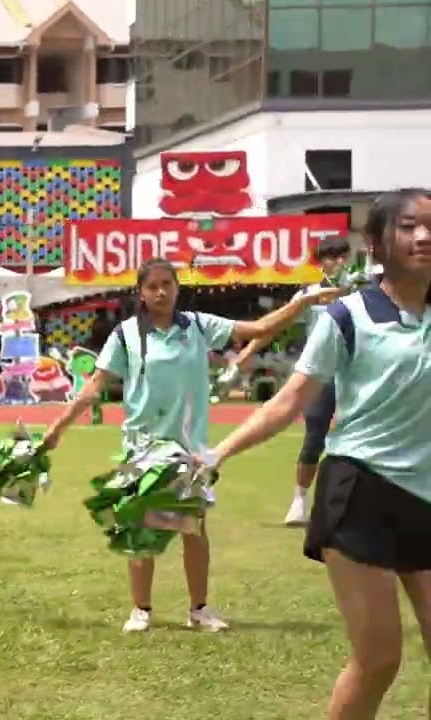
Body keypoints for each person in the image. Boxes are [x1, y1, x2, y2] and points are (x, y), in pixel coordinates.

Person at [206, 190, 431, 719]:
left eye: (430, 226)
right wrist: (217, 453)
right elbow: (289, 403)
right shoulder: (347, 316)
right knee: (379, 659)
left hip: (428, 494)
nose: (423, 236)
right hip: (363, 493)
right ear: (376, 244)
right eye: (408, 226)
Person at [43, 256, 341, 633]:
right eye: (152, 286)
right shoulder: (126, 335)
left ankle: (198, 609)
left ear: (177, 287)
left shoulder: (198, 326)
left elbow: (260, 327)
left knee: (193, 530)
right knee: (140, 530)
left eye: (167, 284)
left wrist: (302, 303)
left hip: (189, 450)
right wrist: (57, 428)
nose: (161, 292)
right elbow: (95, 385)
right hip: (141, 447)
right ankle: (141, 610)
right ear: (141, 292)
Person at [227, 235, 354, 526]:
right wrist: (246, 353)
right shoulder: (308, 295)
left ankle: (358, 505)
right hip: (320, 377)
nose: (336, 262)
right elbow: (274, 326)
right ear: (321, 262)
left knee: (359, 440)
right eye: (330, 257)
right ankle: (299, 500)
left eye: (341, 256)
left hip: (358, 377)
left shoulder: (363, 291)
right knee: (314, 439)